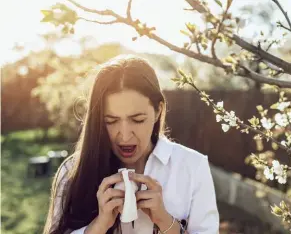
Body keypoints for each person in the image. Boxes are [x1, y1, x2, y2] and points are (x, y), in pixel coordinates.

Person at [43, 55, 219, 234]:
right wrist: (99, 226)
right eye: (111, 121)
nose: (125, 136)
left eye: (137, 120)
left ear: (158, 111)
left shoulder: (193, 167)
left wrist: (165, 221)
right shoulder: (72, 170)